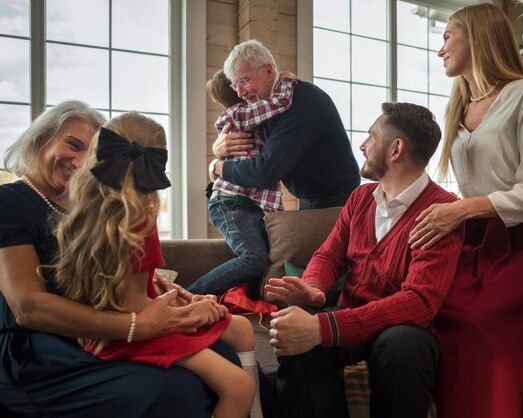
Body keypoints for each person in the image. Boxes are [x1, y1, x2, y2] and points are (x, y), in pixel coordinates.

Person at [0, 100, 241, 417]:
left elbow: (124, 276)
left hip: (102, 330)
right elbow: (28, 307)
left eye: (91, 152)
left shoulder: (97, 207)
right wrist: (137, 325)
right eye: (72, 145)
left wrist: (172, 302)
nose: (79, 161)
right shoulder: (10, 202)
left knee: (223, 351)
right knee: (175, 389)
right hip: (41, 347)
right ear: (41, 139)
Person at [407, 4, 523, 418]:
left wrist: (459, 212)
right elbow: (468, 187)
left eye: (447, 36)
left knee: (490, 325)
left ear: (477, 36)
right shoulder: (458, 106)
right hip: (481, 233)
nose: (440, 50)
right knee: (446, 316)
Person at [52, 111, 264, 418]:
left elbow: (141, 287)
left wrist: (189, 300)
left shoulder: (82, 209)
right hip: (128, 336)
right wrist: (192, 313)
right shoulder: (138, 220)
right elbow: (138, 311)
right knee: (238, 386)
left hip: (112, 326)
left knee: (242, 326)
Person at [265, 102, 465, 418]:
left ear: (395, 149)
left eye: (371, 136)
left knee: (403, 349)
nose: (362, 144)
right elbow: (328, 255)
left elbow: (419, 301)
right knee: (299, 339)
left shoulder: (442, 210)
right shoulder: (360, 198)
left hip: (403, 329)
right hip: (349, 315)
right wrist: (314, 290)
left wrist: (324, 326)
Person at [209, 39, 360, 209]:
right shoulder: (266, 107)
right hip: (310, 197)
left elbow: (265, 171)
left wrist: (217, 166)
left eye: (244, 81)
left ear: (268, 71)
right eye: (235, 85)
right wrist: (218, 149)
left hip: (340, 201)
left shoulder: (303, 100)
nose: (240, 93)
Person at [188, 70, 297, 297]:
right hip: (232, 202)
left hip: (247, 204)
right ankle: (189, 295)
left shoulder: (250, 119)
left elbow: (264, 181)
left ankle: (239, 300)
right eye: (240, 83)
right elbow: (280, 101)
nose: (245, 87)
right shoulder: (239, 114)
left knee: (262, 259)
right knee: (254, 260)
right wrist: (286, 79)